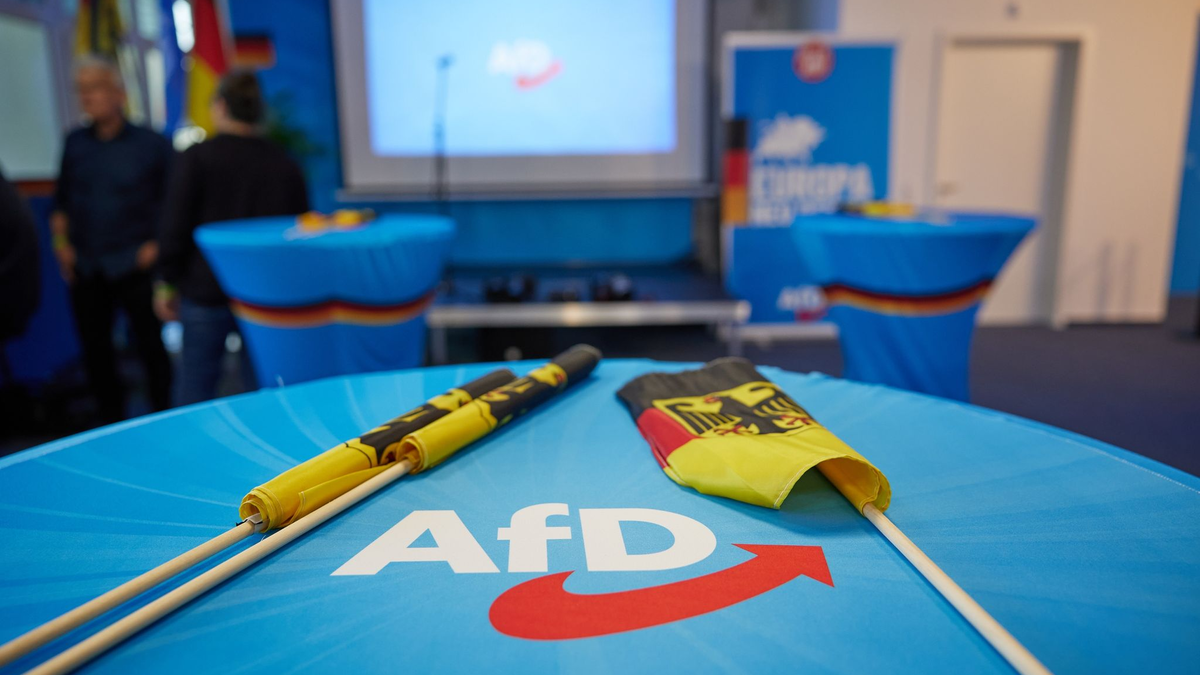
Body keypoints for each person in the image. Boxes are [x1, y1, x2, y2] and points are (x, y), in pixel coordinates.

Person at [156, 69, 309, 405]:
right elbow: (300, 232)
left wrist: (166, 281)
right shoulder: (284, 162)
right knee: (264, 392)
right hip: (263, 294)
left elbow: (174, 225)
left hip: (204, 289)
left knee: (196, 390)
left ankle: (194, 442)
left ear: (221, 106)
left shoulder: (196, 157)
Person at [52, 56, 173, 423]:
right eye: (81, 90)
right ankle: (109, 425)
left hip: (135, 263)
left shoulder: (151, 144)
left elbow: (173, 205)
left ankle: (164, 420)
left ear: (118, 93)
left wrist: (156, 248)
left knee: (151, 349)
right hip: (87, 265)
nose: (87, 97)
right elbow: (61, 203)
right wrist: (61, 246)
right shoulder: (75, 143)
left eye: (95, 88)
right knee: (96, 353)